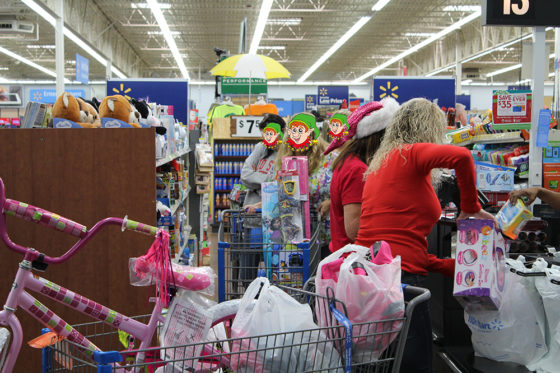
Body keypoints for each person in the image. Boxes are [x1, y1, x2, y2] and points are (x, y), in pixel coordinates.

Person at [354, 98, 494, 373]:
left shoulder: (382, 164)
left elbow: (395, 238)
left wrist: (449, 267)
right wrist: (470, 209)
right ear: (428, 128)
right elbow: (462, 157)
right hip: (399, 282)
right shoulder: (412, 154)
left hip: (373, 273)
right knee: (414, 364)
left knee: (386, 363)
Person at [325, 98, 400, 253]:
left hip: (349, 257)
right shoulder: (357, 170)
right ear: (380, 137)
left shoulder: (350, 162)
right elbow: (354, 229)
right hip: (355, 262)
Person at [241, 114, 286, 209]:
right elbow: (245, 175)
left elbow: (285, 186)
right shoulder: (261, 147)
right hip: (252, 215)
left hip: (274, 213)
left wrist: (256, 180)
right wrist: (272, 181)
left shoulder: (289, 154)